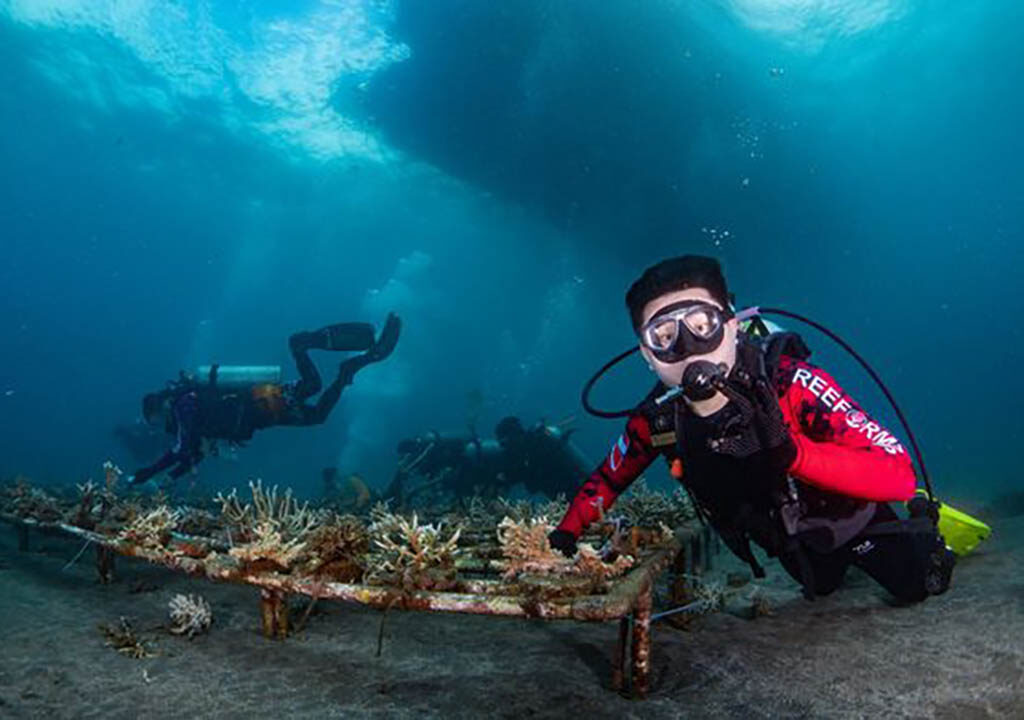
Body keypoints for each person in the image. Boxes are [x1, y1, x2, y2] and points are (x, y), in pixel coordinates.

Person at [549, 256, 954, 603]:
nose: (687, 348)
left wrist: (796, 456)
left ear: (731, 323)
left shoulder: (790, 382)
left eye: (702, 324)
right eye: (665, 336)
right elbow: (609, 479)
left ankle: (923, 528)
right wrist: (565, 533)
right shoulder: (656, 420)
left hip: (853, 516)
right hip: (787, 539)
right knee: (823, 586)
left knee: (916, 586)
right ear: (647, 354)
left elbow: (899, 474)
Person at [128, 314, 401, 486]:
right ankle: (348, 368)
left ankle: (304, 347)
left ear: (162, 405)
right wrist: (169, 478)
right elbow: (195, 453)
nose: (160, 425)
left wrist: (148, 472)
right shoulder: (186, 415)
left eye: (156, 419)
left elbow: (182, 449)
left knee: (312, 389)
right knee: (317, 411)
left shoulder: (184, 404)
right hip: (264, 412)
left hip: (262, 404)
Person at [385, 416, 588, 505]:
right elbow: (515, 475)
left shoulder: (533, 447)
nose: (503, 446)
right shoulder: (526, 448)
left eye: (504, 441)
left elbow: (518, 474)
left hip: (565, 483)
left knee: (579, 502)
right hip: (562, 484)